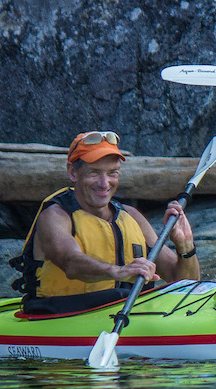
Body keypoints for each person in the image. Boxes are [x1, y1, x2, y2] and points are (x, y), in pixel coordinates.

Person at [13, 130, 200, 314]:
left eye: (113, 173)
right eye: (94, 172)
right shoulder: (55, 216)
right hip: (61, 316)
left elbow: (185, 282)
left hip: (128, 316)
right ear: (73, 172)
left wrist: (185, 245)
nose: (104, 183)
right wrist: (118, 271)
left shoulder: (131, 216)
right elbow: (70, 262)